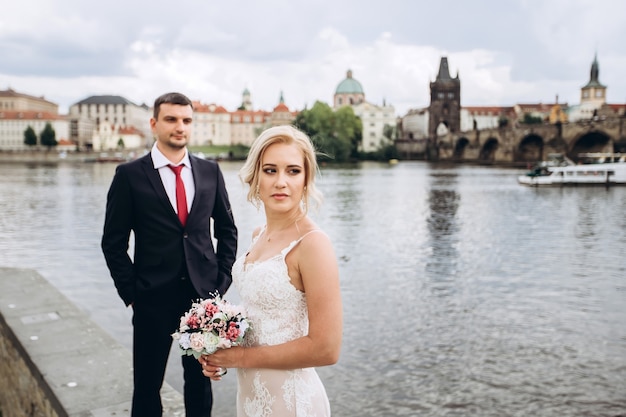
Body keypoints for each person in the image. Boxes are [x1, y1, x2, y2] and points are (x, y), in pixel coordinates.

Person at [101, 92, 238, 417]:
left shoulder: (210, 171)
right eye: (172, 119)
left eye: (186, 120)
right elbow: (113, 242)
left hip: (203, 296)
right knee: (147, 387)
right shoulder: (130, 175)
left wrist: (220, 282)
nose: (180, 127)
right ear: (154, 124)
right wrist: (132, 293)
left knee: (200, 384)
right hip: (151, 298)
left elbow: (227, 230)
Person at [199, 125, 343, 416]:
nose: (281, 182)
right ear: (255, 178)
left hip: (291, 402)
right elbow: (261, 314)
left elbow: (326, 348)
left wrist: (240, 357)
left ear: (306, 180)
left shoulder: (313, 244)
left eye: (292, 171)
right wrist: (218, 348)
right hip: (252, 397)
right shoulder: (257, 234)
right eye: (270, 170)